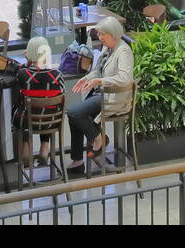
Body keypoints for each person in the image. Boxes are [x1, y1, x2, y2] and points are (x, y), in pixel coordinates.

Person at [66, 16, 133, 172]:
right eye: (99, 34)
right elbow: (97, 71)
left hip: (113, 97)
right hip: (100, 94)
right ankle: (77, 161)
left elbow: (124, 78)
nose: (100, 37)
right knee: (73, 116)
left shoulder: (123, 51)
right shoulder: (107, 48)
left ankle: (99, 138)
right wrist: (86, 79)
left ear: (113, 33)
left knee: (74, 114)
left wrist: (100, 82)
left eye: (103, 34)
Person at [14, 36, 64, 169]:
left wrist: (28, 61)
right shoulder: (57, 75)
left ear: (29, 54)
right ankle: (44, 149)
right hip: (52, 120)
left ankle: (26, 152)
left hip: (28, 121)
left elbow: (24, 72)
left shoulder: (22, 74)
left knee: (24, 110)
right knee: (47, 107)